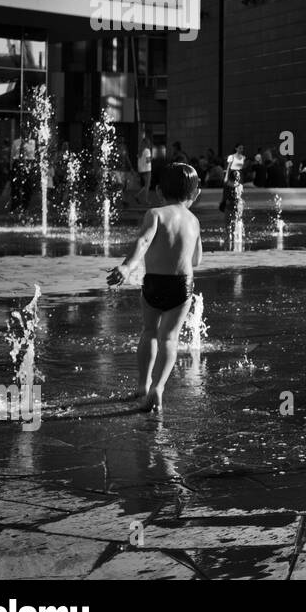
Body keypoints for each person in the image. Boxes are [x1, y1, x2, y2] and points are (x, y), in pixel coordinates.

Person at [106, 163, 202, 415]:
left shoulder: (155, 214)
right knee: (169, 337)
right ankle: (157, 388)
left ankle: (142, 384)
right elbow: (196, 260)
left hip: (154, 282)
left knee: (149, 331)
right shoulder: (194, 221)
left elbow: (144, 240)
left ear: (159, 191)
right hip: (181, 286)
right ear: (195, 195)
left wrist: (127, 267)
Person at [219, 143, 247, 212]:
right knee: (230, 190)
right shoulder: (231, 157)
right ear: (236, 148)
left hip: (239, 175)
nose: (241, 150)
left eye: (242, 148)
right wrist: (226, 177)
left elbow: (243, 167)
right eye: (240, 148)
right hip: (232, 174)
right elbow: (228, 167)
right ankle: (227, 204)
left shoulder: (243, 157)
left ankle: (236, 206)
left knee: (238, 190)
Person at [136, 134, 153, 204]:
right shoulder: (147, 150)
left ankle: (137, 195)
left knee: (146, 185)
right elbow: (148, 161)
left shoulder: (140, 150)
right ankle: (146, 200)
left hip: (141, 169)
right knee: (147, 185)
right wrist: (152, 158)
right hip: (147, 169)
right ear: (147, 143)